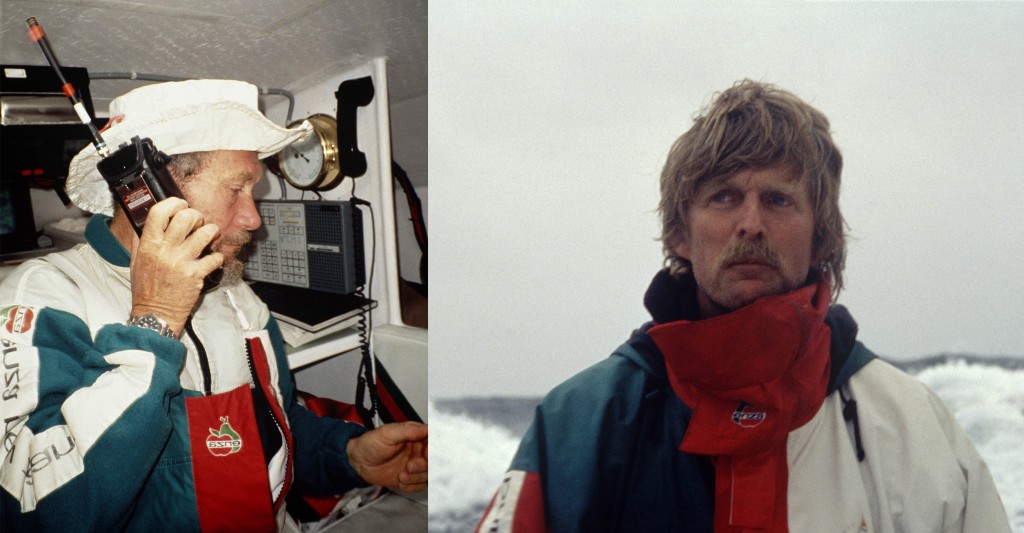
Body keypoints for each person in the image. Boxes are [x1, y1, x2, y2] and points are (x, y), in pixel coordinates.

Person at [476, 80, 1010, 532]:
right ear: (679, 233)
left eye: (778, 199)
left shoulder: (916, 430)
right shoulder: (577, 427)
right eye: (724, 197)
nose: (751, 223)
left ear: (821, 237)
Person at [0, 79, 427, 532]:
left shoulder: (236, 295)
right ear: (147, 193)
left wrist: (348, 455)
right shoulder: (44, 296)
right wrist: (155, 319)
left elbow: (271, 427)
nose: (254, 218)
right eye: (236, 189)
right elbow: (36, 512)